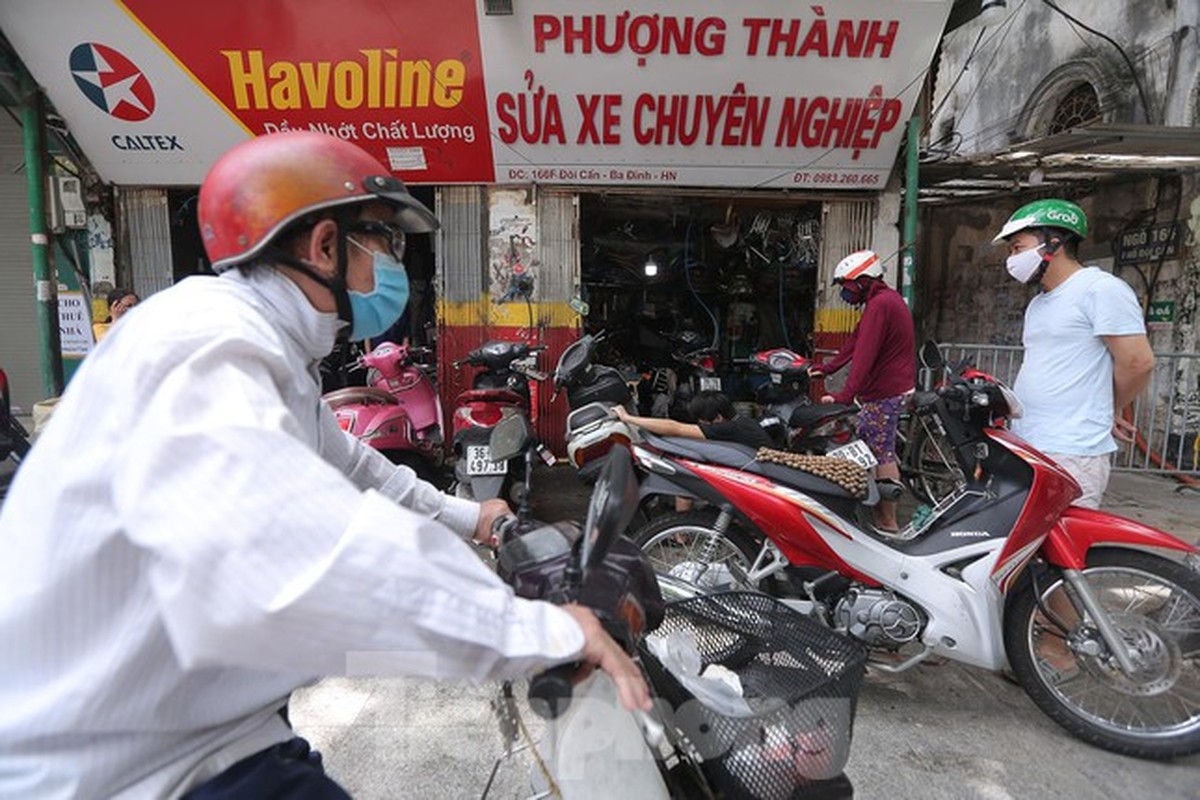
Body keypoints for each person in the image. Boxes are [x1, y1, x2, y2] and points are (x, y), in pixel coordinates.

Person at [0, 131, 648, 798]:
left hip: (201, 728)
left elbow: (353, 467)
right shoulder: (207, 346)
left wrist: (476, 518)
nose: (392, 266)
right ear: (327, 246)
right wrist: (532, 630)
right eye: (384, 243)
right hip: (117, 771)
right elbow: (302, 549)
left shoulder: (271, 354)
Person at [993, 198, 1155, 508]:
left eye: (1017, 247)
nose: (1012, 258)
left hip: (1071, 450)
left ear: (1054, 243)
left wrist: (1112, 407)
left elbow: (1138, 362)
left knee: (1062, 549)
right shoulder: (1040, 303)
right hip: (1030, 443)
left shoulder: (1100, 289)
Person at [809, 250, 915, 532]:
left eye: (846, 285)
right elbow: (856, 341)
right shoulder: (881, 302)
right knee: (878, 449)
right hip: (888, 389)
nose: (845, 292)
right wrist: (829, 368)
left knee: (882, 453)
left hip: (884, 391)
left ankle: (888, 522)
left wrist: (844, 395)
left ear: (864, 280)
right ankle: (881, 516)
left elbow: (865, 356)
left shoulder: (881, 305)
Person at [615, 390, 772, 511]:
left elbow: (675, 428)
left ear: (717, 418)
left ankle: (680, 536)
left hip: (760, 485)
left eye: (702, 422)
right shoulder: (744, 423)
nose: (699, 424)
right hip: (760, 478)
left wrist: (628, 418)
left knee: (686, 480)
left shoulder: (730, 428)